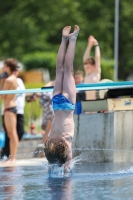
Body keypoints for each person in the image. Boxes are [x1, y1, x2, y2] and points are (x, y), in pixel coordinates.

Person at [44, 25, 80, 173]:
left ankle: (72, 39)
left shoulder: (66, 143)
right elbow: (49, 161)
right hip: (57, 103)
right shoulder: (50, 140)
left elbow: (68, 162)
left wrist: (66, 170)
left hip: (68, 105)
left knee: (68, 69)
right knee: (59, 69)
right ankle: (63, 39)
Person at [1, 68, 25, 159]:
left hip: (17, 110)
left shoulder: (18, 80)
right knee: (10, 133)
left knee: (18, 132)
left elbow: (21, 93)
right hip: (10, 110)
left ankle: (9, 153)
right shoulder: (9, 81)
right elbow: (3, 95)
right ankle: (8, 154)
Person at [0, 58, 18, 162]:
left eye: (4, 65)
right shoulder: (13, 78)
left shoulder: (8, 80)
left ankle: (13, 157)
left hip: (9, 107)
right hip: (11, 107)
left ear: (8, 66)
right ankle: (13, 156)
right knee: (11, 133)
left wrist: (2, 81)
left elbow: (2, 96)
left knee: (12, 133)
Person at [83, 35, 101, 100]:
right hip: (87, 102)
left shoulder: (96, 72)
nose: (86, 68)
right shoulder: (87, 74)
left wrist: (96, 45)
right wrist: (89, 45)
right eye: (86, 67)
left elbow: (97, 58)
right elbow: (85, 58)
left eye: (88, 67)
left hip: (96, 101)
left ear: (94, 66)